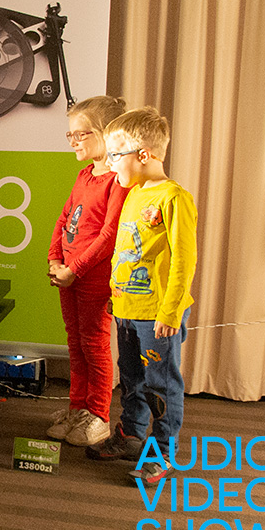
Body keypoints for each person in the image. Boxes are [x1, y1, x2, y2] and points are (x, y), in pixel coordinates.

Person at [85, 107, 197, 487]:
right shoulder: (133, 195)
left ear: (143, 155)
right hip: (127, 309)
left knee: (160, 383)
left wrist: (171, 311)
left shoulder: (174, 198)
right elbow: (125, 252)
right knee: (131, 377)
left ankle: (163, 452)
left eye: (115, 155)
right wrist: (115, 296)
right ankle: (131, 434)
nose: (110, 163)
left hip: (157, 314)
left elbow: (184, 260)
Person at [45, 96, 129, 446]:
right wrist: (55, 258)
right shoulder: (84, 175)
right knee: (75, 343)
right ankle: (77, 408)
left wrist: (75, 269)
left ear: (107, 133)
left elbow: (110, 234)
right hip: (68, 274)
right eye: (71, 135)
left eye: (81, 134)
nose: (74, 142)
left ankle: (99, 415)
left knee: (94, 345)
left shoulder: (118, 180)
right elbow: (65, 218)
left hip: (93, 278)